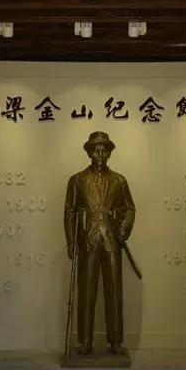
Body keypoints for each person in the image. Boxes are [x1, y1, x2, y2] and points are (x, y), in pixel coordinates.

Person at [64, 131, 136, 355]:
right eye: (96, 149)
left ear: (110, 153)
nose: (100, 153)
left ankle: (115, 341)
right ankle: (85, 341)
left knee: (114, 291)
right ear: (88, 152)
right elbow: (69, 212)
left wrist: (123, 231)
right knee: (86, 291)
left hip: (112, 240)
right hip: (88, 239)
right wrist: (71, 241)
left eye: (104, 149)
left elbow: (130, 208)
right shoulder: (77, 180)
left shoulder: (119, 180)